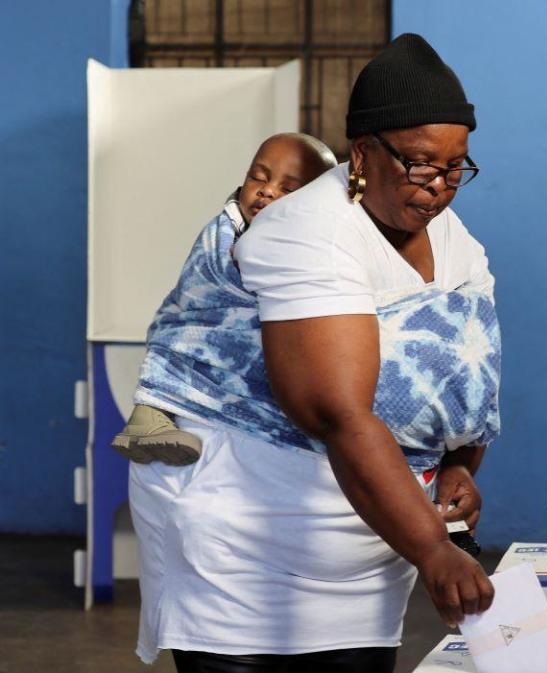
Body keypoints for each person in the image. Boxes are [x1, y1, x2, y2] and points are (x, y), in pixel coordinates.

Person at [128, 33, 500, 673]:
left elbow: (464, 374)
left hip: (373, 544)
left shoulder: (449, 234)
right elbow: (339, 414)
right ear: (364, 153)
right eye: (419, 163)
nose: (439, 186)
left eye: (454, 166)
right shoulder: (308, 231)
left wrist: (459, 463)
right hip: (247, 550)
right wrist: (432, 548)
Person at [111, 132, 338, 465]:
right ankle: (151, 416)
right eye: (257, 177)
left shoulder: (320, 244)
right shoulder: (225, 232)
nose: (267, 190)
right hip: (201, 321)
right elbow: (202, 287)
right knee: (182, 340)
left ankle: (157, 415)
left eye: (288, 189)